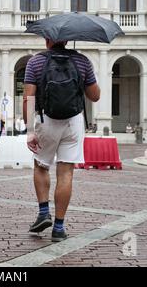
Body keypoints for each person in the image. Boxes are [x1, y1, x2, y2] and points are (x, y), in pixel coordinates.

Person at [23, 38, 100, 242]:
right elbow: (95, 96)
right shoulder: (82, 61)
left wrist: (30, 130)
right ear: (67, 40)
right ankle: (58, 227)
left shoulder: (36, 62)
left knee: (41, 166)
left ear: (47, 40)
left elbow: (28, 97)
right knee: (66, 172)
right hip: (73, 121)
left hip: (46, 119)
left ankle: (43, 212)